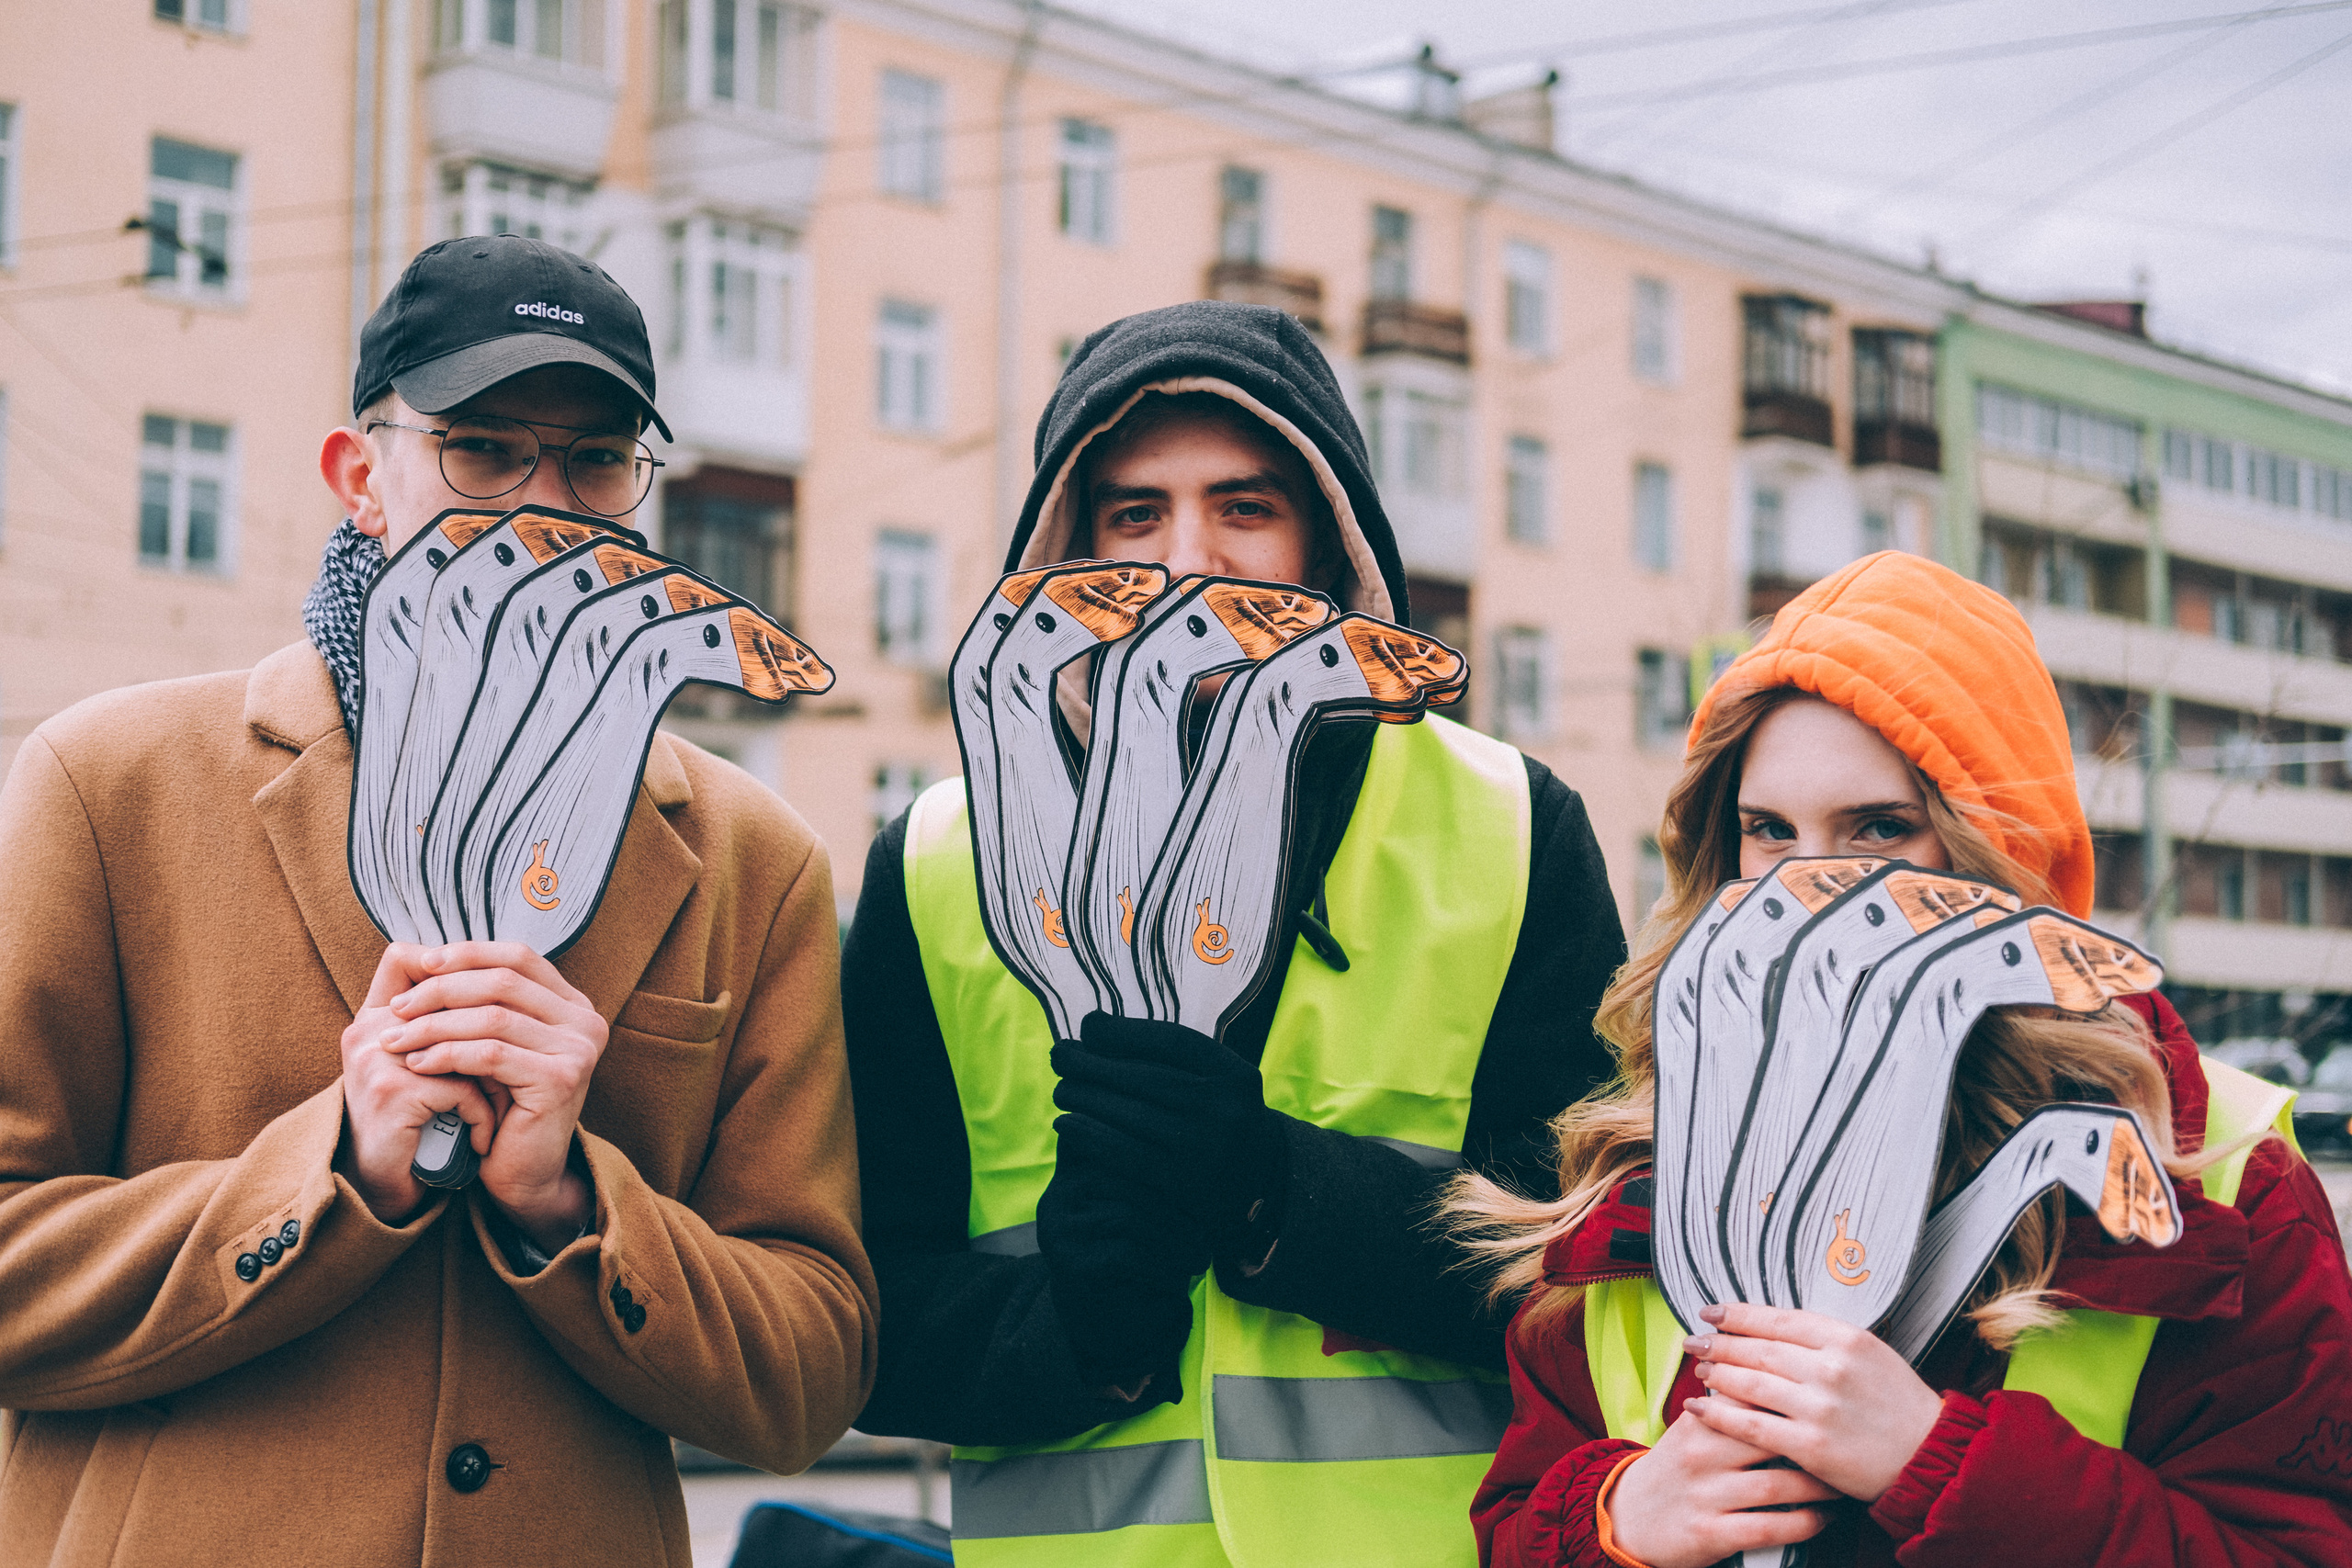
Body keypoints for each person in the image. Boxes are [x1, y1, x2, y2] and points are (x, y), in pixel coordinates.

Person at [0, 235, 876, 1566]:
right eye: (480, 445)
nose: (545, 506)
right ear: (362, 474)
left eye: (594, 460)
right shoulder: (106, 779)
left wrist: (574, 1203)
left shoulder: (759, 858)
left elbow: (813, 1370)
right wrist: (334, 1166)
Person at [842, 299, 1628, 1565]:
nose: (1185, 560)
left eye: (1245, 506)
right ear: (1068, 552)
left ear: (1326, 540)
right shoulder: (939, 862)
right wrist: (1073, 1326)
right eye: (1134, 513)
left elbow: (1591, 1279)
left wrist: (1276, 1190)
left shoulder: (1513, 823)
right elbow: (854, 1318)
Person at [1456, 550, 2352, 1568]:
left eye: (1878, 829)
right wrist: (1616, 1520)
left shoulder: (2223, 1181)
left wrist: (1938, 1462)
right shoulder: (1646, 1157)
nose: (1807, 889)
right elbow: (1517, 1521)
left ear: (2001, 857)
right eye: (1766, 832)